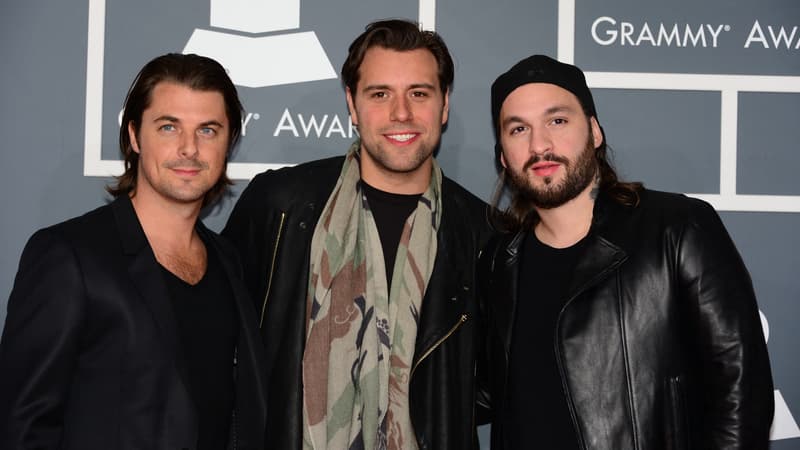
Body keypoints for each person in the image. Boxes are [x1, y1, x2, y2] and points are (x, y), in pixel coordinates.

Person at [479, 54, 774, 449]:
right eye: (518, 129)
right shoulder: (499, 260)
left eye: (558, 121)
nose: (539, 144)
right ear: (503, 155)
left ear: (595, 132)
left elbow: (742, 396)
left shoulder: (677, 228)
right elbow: (484, 395)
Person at [223, 18, 491, 450]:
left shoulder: (482, 232)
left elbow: (490, 383)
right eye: (379, 94)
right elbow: (224, 344)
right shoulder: (281, 206)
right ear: (351, 104)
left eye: (418, 94)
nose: (400, 113)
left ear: (443, 106)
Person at [0, 53, 266, 450]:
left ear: (228, 142)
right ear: (135, 136)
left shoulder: (228, 260)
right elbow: (22, 426)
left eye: (208, 130)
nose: (189, 148)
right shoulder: (69, 257)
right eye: (168, 127)